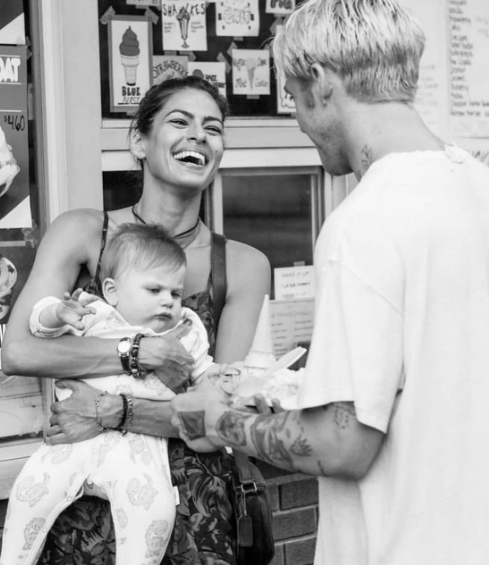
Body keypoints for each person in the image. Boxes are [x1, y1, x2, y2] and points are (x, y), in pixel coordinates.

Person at [170, 2, 489, 565]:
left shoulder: (365, 222)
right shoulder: (477, 189)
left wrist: (217, 420)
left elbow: (343, 442)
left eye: (292, 96)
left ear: (320, 82)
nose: (296, 118)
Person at [1, 76, 271, 565]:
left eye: (213, 127)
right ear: (138, 141)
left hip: (198, 512)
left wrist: (111, 410)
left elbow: (216, 418)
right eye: (179, 121)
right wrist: (137, 352)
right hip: (82, 511)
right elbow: (19, 350)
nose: (199, 136)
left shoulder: (244, 266)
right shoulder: (84, 233)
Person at [1, 223, 221, 565]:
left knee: (156, 509)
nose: (167, 301)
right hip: (70, 443)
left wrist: (220, 378)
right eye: (154, 289)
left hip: (138, 448)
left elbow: (202, 372)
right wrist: (58, 313)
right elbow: (37, 326)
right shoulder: (94, 313)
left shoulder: (185, 332)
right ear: (112, 290)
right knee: (30, 494)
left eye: (175, 294)